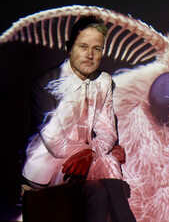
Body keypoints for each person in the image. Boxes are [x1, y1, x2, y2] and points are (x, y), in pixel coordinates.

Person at [22, 16, 135, 222]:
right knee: (104, 178)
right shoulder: (44, 84)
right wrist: (88, 152)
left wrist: (90, 153)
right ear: (69, 47)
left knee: (105, 175)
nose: (90, 55)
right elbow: (54, 143)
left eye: (97, 49)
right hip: (53, 164)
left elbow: (108, 132)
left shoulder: (104, 82)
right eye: (83, 46)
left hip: (90, 160)